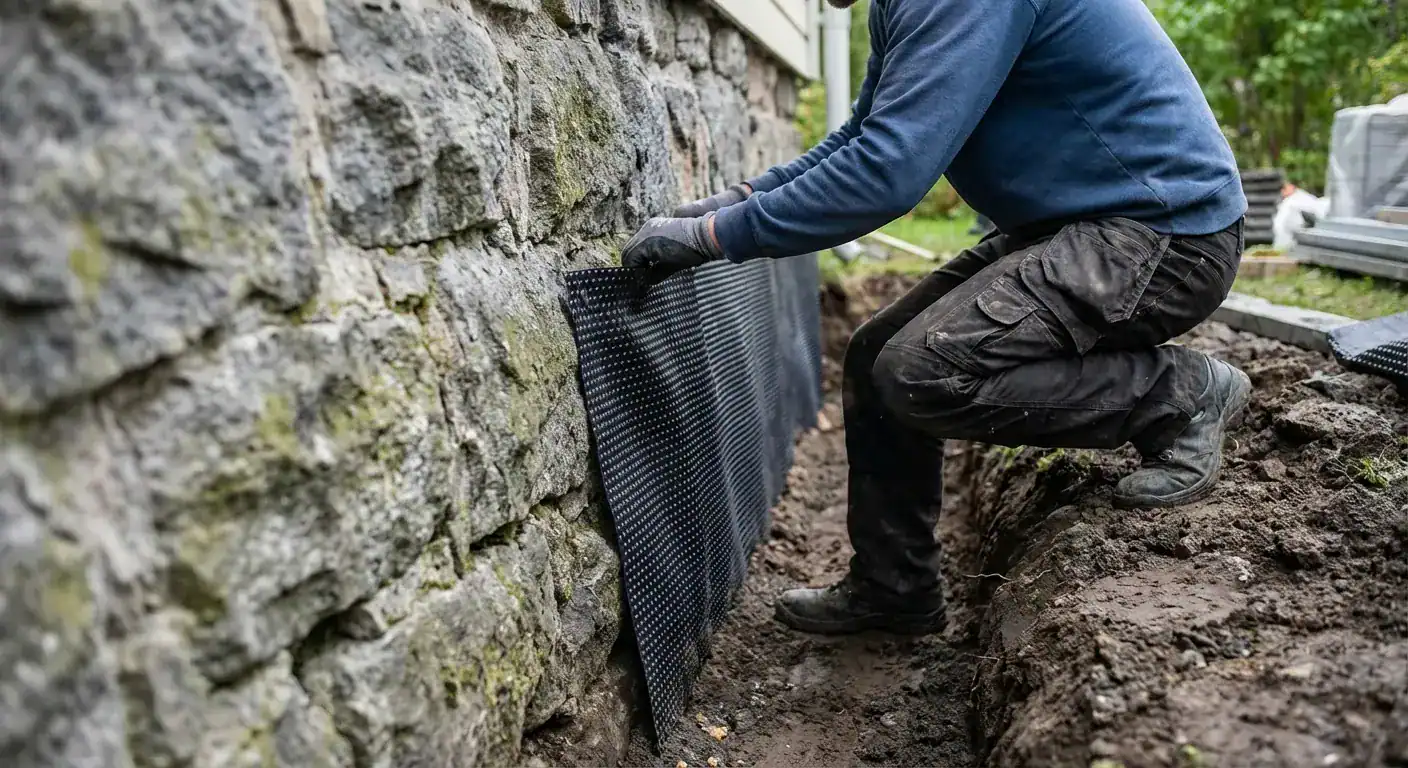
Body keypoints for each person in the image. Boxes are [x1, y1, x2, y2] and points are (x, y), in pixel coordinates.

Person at [618, 0, 1248, 636]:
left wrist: (717, 237)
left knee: (923, 372)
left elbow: (888, 172)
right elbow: (863, 137)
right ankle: (895, 588)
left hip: (1164, 234)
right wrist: (737, 202)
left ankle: (1180, 398)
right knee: (876, 357)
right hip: (1080, 225)